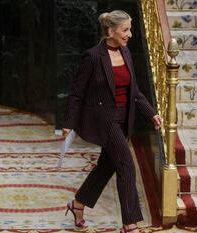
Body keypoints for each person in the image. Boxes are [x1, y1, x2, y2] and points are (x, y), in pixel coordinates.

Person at [62, 10, 162, 233]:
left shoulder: (126, 53)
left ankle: (77, 204)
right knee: (126, 165)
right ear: (110, 31)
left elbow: (134, 90)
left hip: (124, 119)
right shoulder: (93, 56)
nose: (130, 35)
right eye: (125, 30)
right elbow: (76, 92)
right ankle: (130, 225)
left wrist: (151, 113)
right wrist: (68, 122)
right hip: (104, 120)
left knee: (106, 166)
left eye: (130, 29)